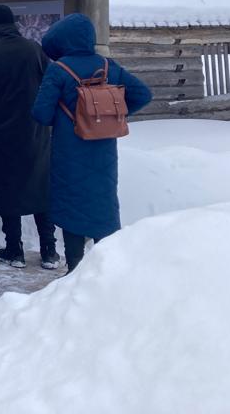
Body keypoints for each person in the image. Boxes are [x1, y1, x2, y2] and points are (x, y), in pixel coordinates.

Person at [32, 14, 152, 272]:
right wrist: (109, 115)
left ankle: (75, 271)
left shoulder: (59, 70)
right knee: (103, 205)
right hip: (104, 151)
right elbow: (143, 93)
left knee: (72, 208)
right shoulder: (109, 66)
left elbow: (40, 113)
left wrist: (70, 118)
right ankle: (107, 271)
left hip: (69, 152)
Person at [0, 5, 58, 269]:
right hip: (35, 132)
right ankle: (49, 250)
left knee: (7, 191)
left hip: (0, 134)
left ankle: (14, 249)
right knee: (42, 189)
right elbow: (48, 84)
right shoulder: (34, 49)